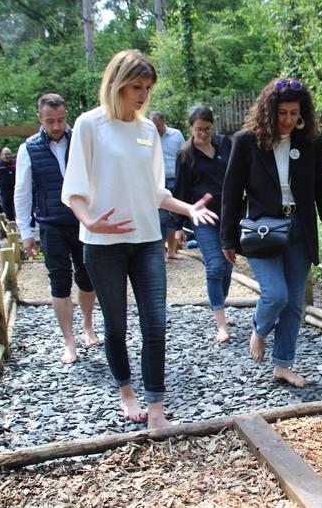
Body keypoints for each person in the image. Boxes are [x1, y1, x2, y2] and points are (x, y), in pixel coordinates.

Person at [62, 49, 218, 429]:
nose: (143, 95)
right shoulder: (88, 125)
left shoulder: (148, 130)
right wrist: (90, 222)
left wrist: (188, 210)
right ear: (116, 83)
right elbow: (75, 189)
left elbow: (156, 192)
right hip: (101, 245)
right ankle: (126, 392)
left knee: (155, 323)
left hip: (147, 239)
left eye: (148, 88)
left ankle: (157, 406)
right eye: (136, 86)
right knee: (115, 324)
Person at [221, 77, 322, 388]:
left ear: (302, 113)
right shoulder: (246, 142)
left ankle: (282, 365)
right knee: (275, 294)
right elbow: (231, 192)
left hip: (299, 228)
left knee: (295, 303)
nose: (288, 120)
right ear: (269, 112)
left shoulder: (310, 144)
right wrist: (227, 238)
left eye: (294, 113)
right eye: (281, 113)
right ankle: (259, 330)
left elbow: (321, 191)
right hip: (263, 230)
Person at [14, 93, 99, 364]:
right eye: (50, 121)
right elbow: (22, 192)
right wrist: (26, 232)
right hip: (51, 224)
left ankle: (88, 324)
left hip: (83, 221)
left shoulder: (81, 140)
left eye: (61, 120)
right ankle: (68, 341)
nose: (57, 126)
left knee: (87, 277)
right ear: (40, 118)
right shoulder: (28, 149)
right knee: (59, 280)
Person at [173, 106, 234, 343]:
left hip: (229, 215)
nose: (203, 134)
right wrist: (178, 225)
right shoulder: (185, 154)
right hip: (202, 216)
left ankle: (221, 306)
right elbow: (180, 190)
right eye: (198, 130)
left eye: (207, 129)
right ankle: (220, 324)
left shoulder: (224, 144)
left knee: (227, 265)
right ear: (191, 128)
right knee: (215, 265)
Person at [149, 111, 185, 260]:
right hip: (158, 181)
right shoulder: (147, 136)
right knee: (161, 217)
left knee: (174, 217)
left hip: (175, 179)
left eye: (158, 125)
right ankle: (161, 252)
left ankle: (171, 251)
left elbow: (184, 155)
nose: (156, 129)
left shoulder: (176, 135)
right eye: (154, 126)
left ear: (164, 121)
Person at [0, 146, 16, 221]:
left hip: (16, 188)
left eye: (9, 154)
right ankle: (11, 222)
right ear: (2, 155)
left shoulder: (15, 163)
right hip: (5, 190)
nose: (7, 156)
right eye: (5, 154)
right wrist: (0, 183)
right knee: (7, 207)